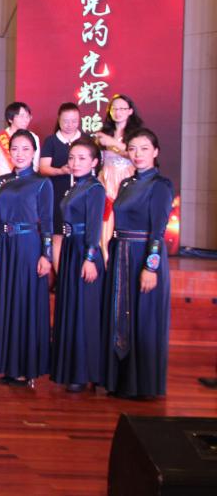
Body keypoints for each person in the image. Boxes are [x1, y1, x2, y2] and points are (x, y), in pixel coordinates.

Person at [101, 129, 173, 400]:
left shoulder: (160, 185)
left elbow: (158, 231)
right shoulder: (126, 184)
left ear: (155, 152)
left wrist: (151, 267)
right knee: (120, 315)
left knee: (143, 318)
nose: (137, 154)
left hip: (143, 255)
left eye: (144, 148)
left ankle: (141, 385)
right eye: (132, 148)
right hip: (121, 253)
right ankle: (119, 381)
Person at [0, 129, 53, 387]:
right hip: (6, 245)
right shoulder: (1, 182)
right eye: (14, 148)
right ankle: (9, 365)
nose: (19, 154)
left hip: (29, 245)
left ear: (34, 153)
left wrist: (46, 255)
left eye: (25, 149)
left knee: (27, 302)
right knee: (7, 301)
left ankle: (28, 369)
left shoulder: (41, 183)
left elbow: (47, 221)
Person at [49, 137, 106, 393]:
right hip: (71, 249)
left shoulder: (94, 188)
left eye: (82, 158)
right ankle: (71, 368)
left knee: (85, 311)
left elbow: (94, 226)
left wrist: (90, 258)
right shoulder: (76, 186)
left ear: (94, 162)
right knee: (71, 307)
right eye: (72, 158)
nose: (75, 162)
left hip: (84, 250)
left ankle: (85, 372)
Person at [94, 95, 142, 256]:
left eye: (122, 108)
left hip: (126, 178)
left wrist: (113, 143)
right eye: (114, 109)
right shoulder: (105, 133)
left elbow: (135, 155)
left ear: (130, 111)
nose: (118, 112)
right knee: (105, 220)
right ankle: (105, 258)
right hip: (106, 178)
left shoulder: (136, 134)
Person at [39, 103, 82, 268]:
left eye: (74, 121)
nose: (70, 125)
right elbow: (43, 168)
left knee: (79, 234)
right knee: (58, 235)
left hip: (80, 194)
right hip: (57, 193)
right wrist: (60, 171)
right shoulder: (51, 141)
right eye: (66, 121)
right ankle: (60, 276)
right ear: (59, 120)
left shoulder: (85, 140)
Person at [0, 102, 40, 171]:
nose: (26, 120)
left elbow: (36, 163)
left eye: (28, 116)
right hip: (4, 176)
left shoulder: (33, 137)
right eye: (21, 116)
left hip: (26, 176)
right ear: (10, 119)